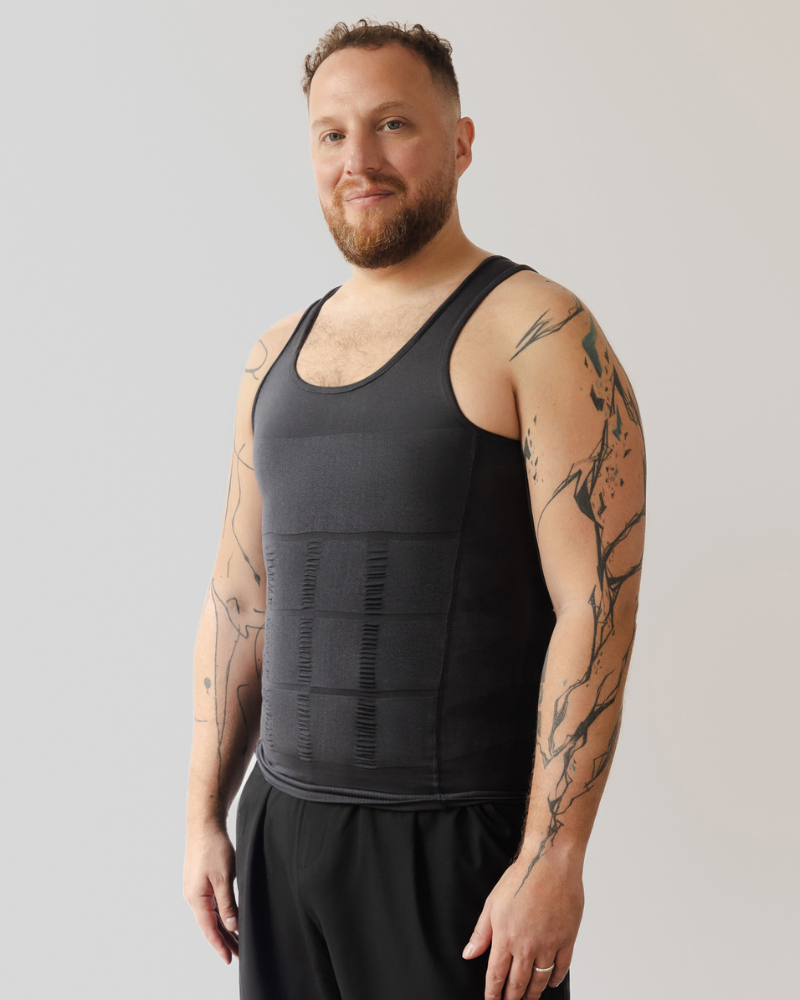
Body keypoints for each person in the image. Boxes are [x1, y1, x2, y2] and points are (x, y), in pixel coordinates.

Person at [183, 17, 646, 1000]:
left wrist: (553, 856)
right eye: (331, 133)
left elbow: (596, 605)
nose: (358, 159)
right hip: (280, 834)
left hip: (453, 850)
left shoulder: (537, 330)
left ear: (460, 142)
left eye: (392, 124)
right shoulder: (273, 354)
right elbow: (239, 597)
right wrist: (202, 818)